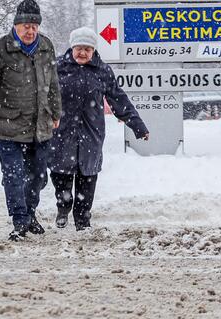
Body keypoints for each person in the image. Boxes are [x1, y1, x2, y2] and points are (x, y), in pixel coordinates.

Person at [0, 0, 62, 241]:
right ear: (16, 25)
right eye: (26, 25)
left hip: (40, 126)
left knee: (38, 176)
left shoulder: (46, 47)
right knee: (14, 175)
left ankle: (29, 212)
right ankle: (20, 220)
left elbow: (53, 84)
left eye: (35, 26)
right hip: (9, 126)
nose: (31, 31)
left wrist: (56, 112)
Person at [48, 27, 149, 231]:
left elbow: (118, 99)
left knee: (88, 175)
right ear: (72, 47)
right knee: (60, 174)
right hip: (62, 131)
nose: (82, 53)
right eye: (79, 48)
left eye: (87, 49)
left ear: (93, 50)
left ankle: (83, 219)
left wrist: (137, 125)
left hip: (90, 133)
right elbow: (42, 94)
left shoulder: (102, 70)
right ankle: (64, 205)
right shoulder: (57, 67)